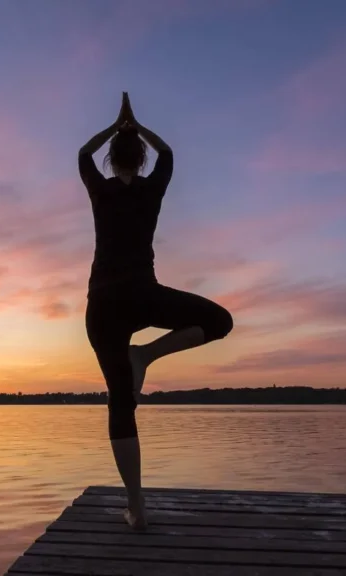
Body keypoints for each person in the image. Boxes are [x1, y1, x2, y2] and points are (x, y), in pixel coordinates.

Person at [78, 92, 234, 530]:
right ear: (141, 158)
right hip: (143, 295)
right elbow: (167, 152)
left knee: (120, 403)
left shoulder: (100, 189)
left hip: (104, 304)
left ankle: (136, 507)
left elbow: (82, 153)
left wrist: (116, 125)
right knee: (219, 321)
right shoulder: (152, 188)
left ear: (111, 159)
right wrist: (136, 125)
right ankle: (146, 354)